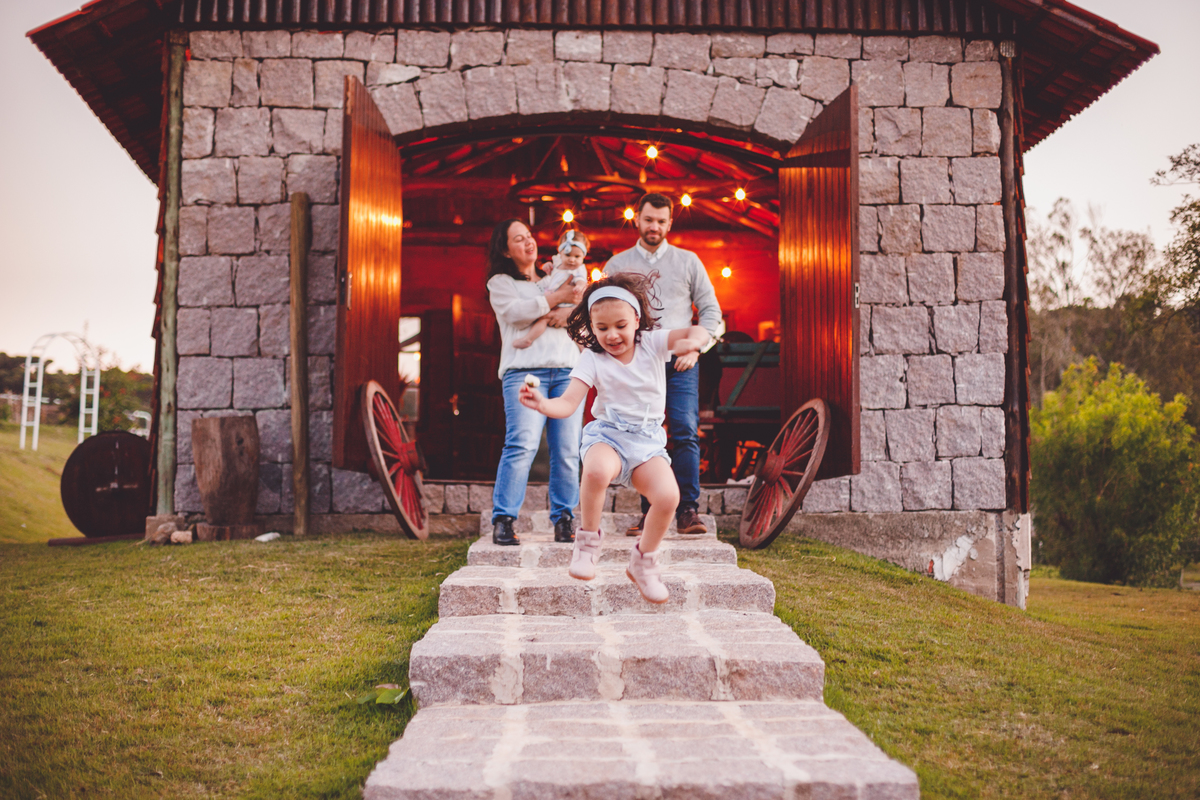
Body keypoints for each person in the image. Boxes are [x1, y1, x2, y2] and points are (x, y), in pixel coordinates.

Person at [518, 273, 710, 604]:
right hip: (609, 437)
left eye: (620, 325)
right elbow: (567, 404)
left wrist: (696, 340)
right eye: (602, 328)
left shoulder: (652, 342)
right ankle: (587, 542)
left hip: (648, 443)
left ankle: (643, 562)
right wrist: (542, 404)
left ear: (636, 320)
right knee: (594, 472)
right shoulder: (592, 358)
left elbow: (695, 331)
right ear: (591, 326)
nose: (612, 335)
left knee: (668, 498)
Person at [604, 193, 721, 536]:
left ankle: (687, 510)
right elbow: (606, 313)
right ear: (636, 219)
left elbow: (711, 311)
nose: (654, 226)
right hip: (639, 365)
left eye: (661, 221)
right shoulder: (616, 264)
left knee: (684, 430)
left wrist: (698, 347)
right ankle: (652, 511)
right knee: (643, 435)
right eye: (648, 219)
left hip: (682, 362)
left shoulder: (688, 261)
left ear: (670, 223)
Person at [486, 218, 585, 546]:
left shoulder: (553, 276)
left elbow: (581, 310)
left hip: (568, 371)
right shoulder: (501, 283)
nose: (528, 242)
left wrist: (562, 309)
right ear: (505, 249)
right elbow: (517, 314)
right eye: (518, 239)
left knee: (568, 449)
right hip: (525, 372)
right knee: (522, 444)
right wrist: (558, 298)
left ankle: (565, 519)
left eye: (529, 236)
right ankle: (504, 519)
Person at [514, 229, 590, 350]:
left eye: (577, 256)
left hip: (567, 304)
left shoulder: (579, 269)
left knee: (575, 329)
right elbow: (547, 269)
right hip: (553, 300)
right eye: (568, 255)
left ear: (583, 256)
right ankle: (528, 339)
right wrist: (547, 266)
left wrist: (580, 285)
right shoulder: (557, 262)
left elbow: (581, 280)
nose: (572, 260)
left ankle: (584, 351)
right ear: (560, 253)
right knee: (543, 320)